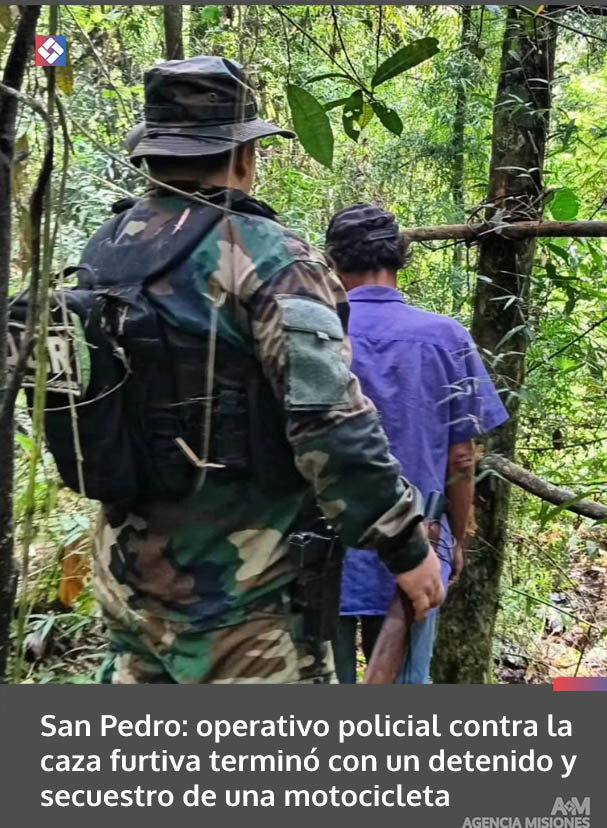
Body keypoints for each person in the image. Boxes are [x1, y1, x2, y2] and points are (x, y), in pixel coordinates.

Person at [79, 57, 443, 684]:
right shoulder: (268, 258)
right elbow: (331, 422)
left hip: (127, 583)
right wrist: (407, 547)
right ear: (244, 156)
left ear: (152, 153)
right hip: (243, 604)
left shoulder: (105, 251)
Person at [325, 203, 509, 684]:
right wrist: (458, 537)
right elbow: (462, 456)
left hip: (325, 550)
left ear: (333, 263)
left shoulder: (318, 336)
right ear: (399, 257)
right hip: (419, 541)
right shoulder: (445, 337)